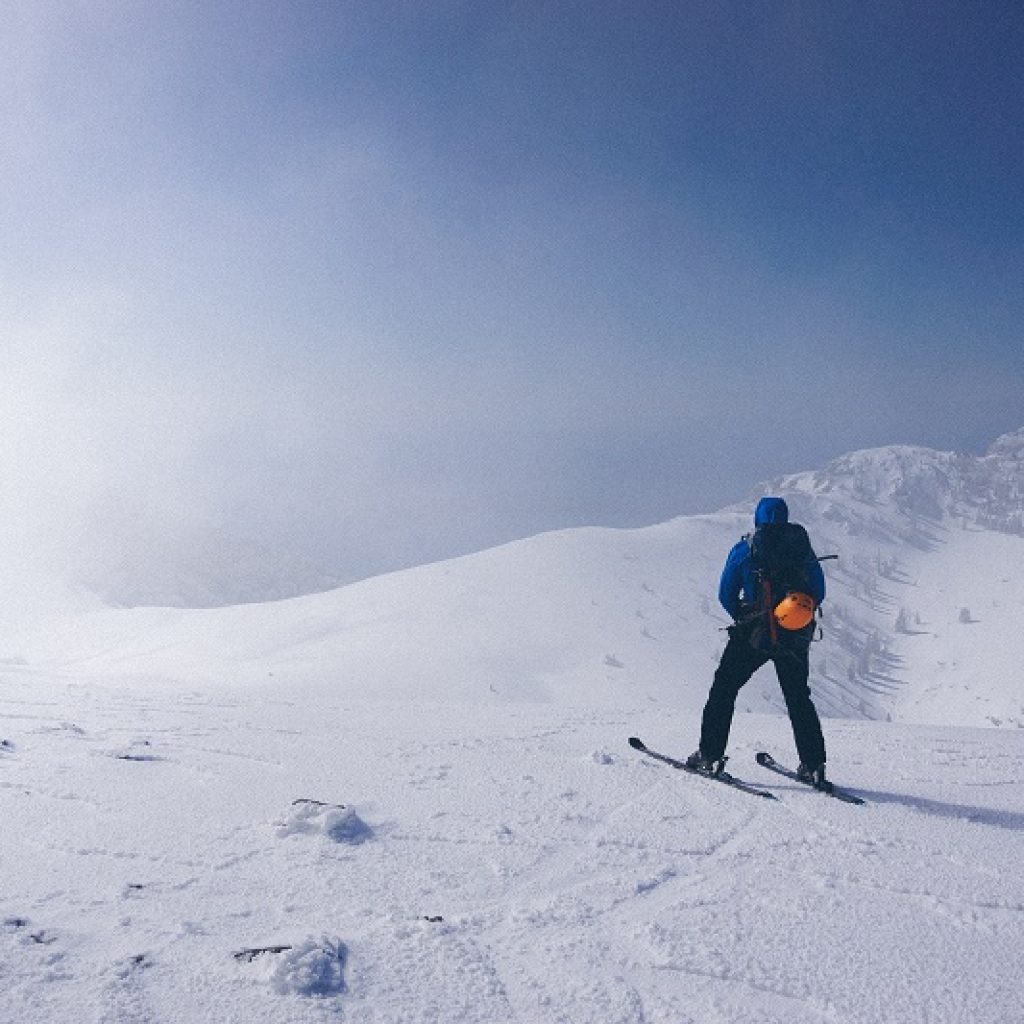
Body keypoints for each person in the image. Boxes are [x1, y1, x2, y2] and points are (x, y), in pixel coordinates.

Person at [686, 497, 829, 787]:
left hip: (754, 634)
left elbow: (726, 593)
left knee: (724, 689)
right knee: (799, 698)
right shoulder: (803, 550)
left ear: (757, 518)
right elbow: (819, 591)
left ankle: (709, 755)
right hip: (794, 635)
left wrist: (745, 615)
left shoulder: (746, 549)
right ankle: (813, 765)